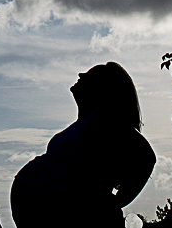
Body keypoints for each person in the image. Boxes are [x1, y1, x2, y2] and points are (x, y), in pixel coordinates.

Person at [11, 62, 156, 227]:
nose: (80, 75)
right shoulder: (89, 122)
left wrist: (115, 203)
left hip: (66, 212)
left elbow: (146, 157)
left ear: (103, 88)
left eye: (90, 74)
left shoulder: (103, 119)